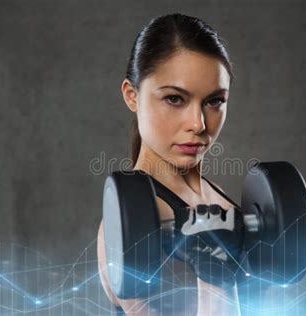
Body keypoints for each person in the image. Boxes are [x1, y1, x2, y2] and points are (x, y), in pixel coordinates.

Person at [97, 13, 245, 315]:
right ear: (132, 96)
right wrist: (215, 280)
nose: (198, 123)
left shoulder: (218, 199)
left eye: (214, 101)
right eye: (175, 99)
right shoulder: (124, 227)